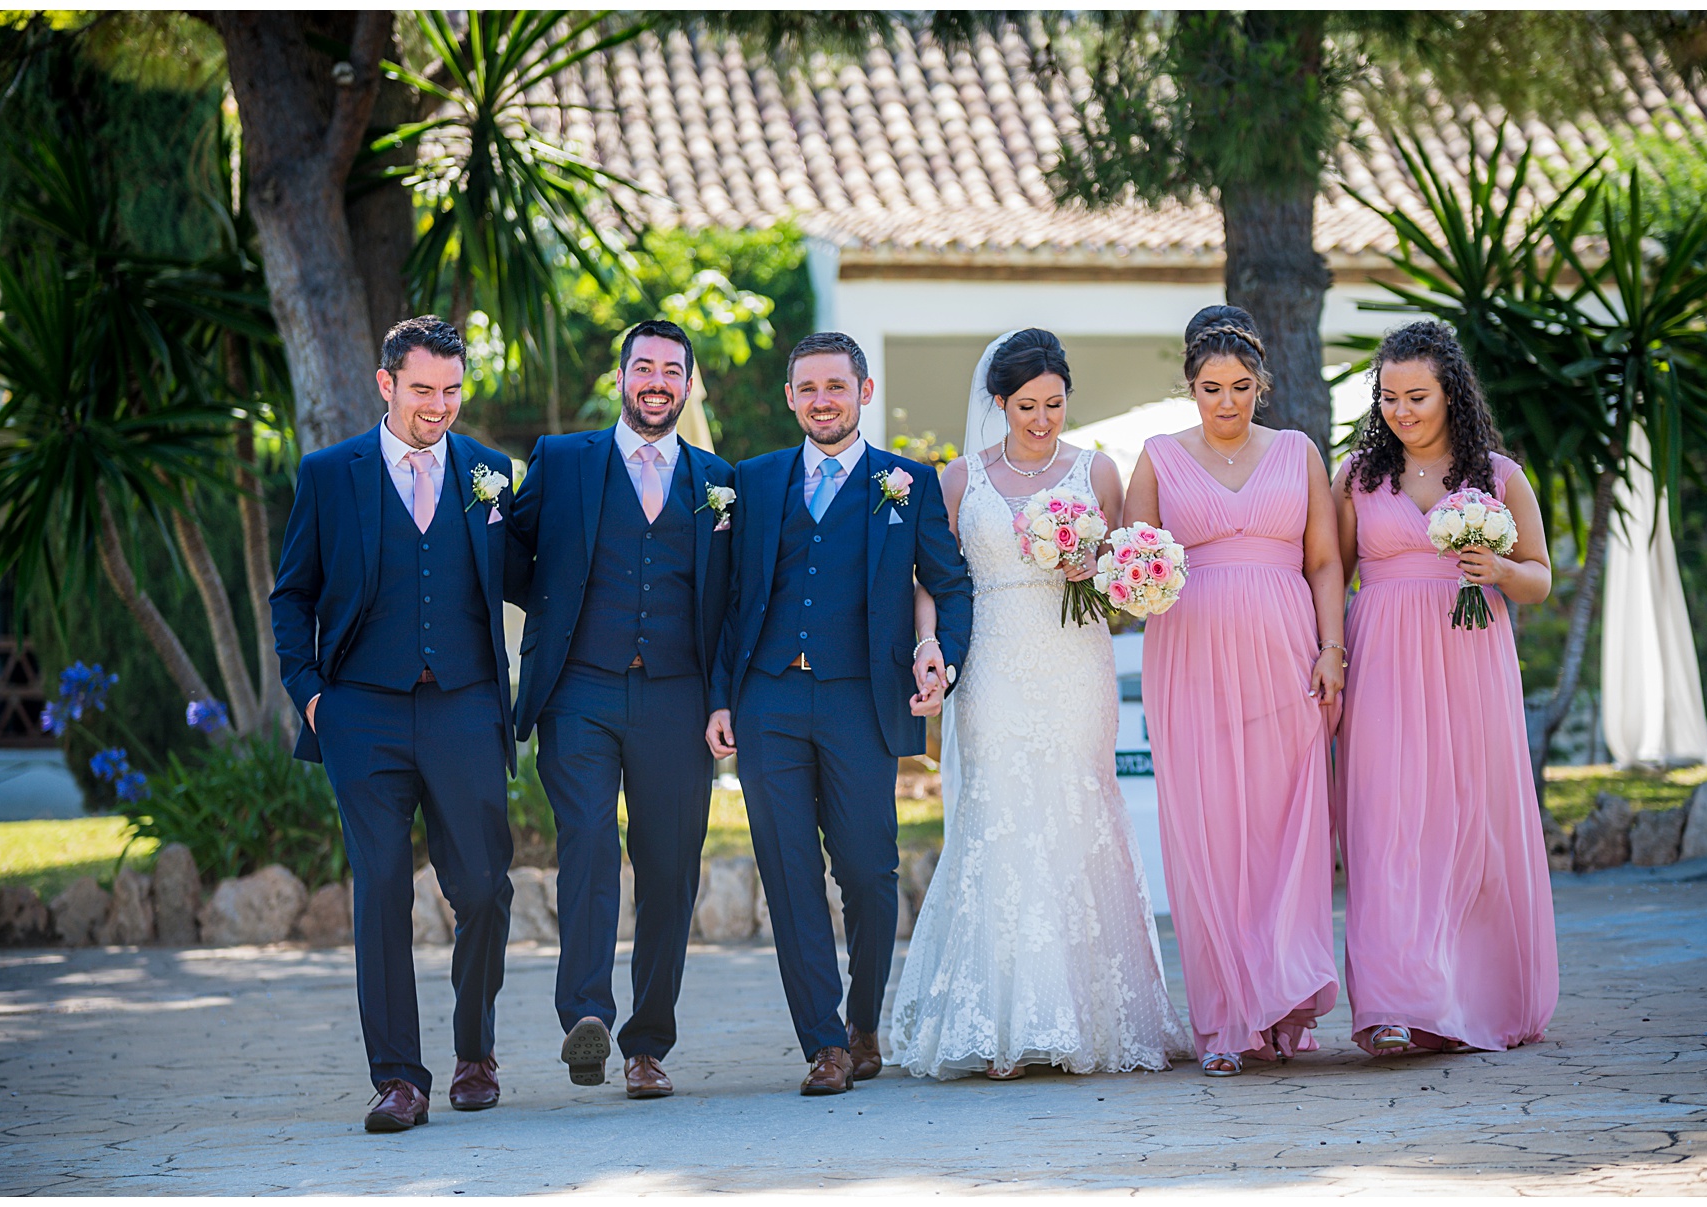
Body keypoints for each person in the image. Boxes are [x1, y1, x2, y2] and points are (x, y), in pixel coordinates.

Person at [886, 329, 1191, 1080]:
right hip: (992, 664)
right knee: (999, 812)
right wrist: (932, 645)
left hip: (1074, 662)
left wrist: (1102, 566)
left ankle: (1084, 1012)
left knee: (1078, 808)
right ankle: (999, 1013)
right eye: (1027, 405)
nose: (1043, 418)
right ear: (999, 402)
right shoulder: (960, 478)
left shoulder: (1098, 472)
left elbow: (1124, 577)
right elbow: (934, 579)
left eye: (1055, 404)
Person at [704, 331, 973, 1095]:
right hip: (768, 700)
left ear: (863, 389)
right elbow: (723, 602)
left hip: (862, 699)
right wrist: (722, 695)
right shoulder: (751, 483)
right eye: (808, 388)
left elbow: (950, 587)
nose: (822, 399)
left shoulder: (906, 483)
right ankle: (821, 1041)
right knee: (789, 873)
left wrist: (942, 660)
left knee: (868, 868)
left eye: (836, 386)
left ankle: (862, 1022)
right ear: (790, 397)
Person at [269, 316, 518, 1131]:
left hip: (465, 705)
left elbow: (532, 578)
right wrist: (311, 694)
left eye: (452, 390)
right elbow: (292, 593)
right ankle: (399, 1079)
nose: (439, 406)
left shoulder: (489, 473)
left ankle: (474, 1052)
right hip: (362, 715)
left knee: (483, 888)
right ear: (386, 384)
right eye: (422, 390)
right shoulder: (330, 473)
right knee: (381, 891)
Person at [503, 319, 735, 1099]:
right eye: (644, 366)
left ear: (689, 384)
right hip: (581, 690)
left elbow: (733, 602)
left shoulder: (716, 479)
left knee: (670, 871)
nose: (657, 381)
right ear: (622, 376)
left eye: (673, 369)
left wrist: (723, 697)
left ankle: (648, 1043)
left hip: (677, 697)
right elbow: (510, 560)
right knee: (590, 841)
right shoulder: (562, 460)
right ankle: (586, 1017)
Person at [1125, 305, 1344, 1077]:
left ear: (1262, 385)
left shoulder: (1298, 452)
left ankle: (1282, 1004)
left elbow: (1323, 561)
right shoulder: (1156, 458)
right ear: (1191, 387)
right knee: (1210, 835)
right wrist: (1134, 583)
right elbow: (1132, 572)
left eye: (1241, 386)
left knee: (1285, 830)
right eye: (1212, 387)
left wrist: (1332, 648)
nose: (1227, 401)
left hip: (1287, 659)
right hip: (1188, 663)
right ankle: (1226, 1021)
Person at [1332, 320, 1559, 1055]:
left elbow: (1540, 578)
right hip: (1385, 662)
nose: (1402, 411)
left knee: (1468, 824)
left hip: (1469, 662)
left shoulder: (1498, 476)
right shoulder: (1359, 479)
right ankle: (1394, 1004)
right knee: (1389, 825)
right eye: (1390, 396)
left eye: (1417, 396)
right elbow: (1329, 571)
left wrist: (1499, 572)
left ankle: (1469, 994)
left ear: (1450, 391)